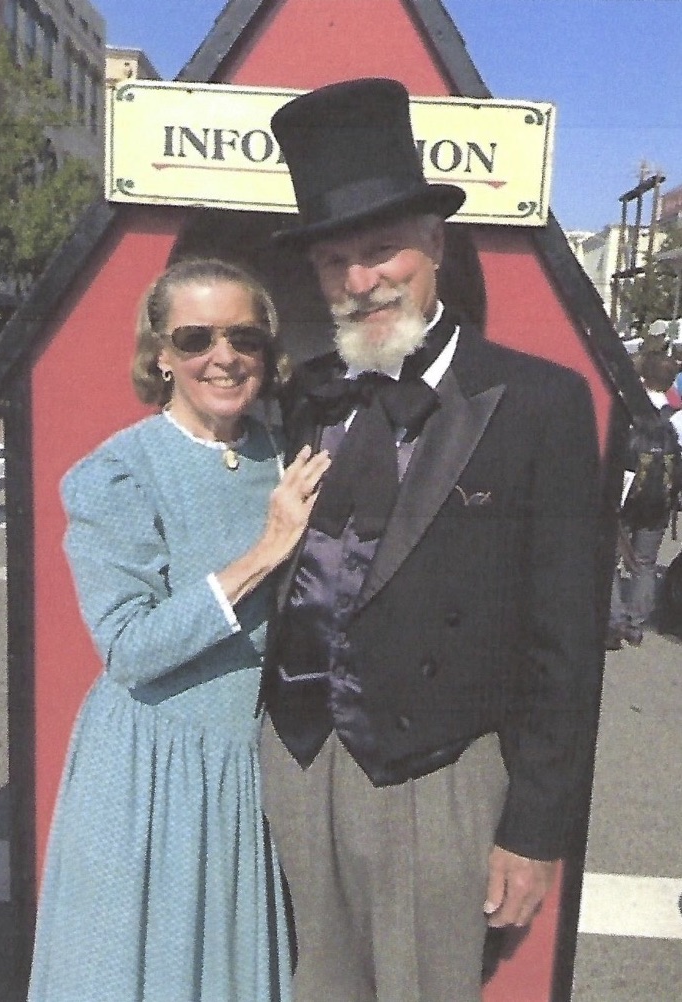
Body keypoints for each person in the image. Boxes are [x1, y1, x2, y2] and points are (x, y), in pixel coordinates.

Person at [258, 79, 602, 1002]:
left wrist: (534, 830)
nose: (361, 281)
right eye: (335, 262)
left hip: (434, 773)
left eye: (381, 251)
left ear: (436, 244)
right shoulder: (307, 393)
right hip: (292, 761)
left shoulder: (542, 402)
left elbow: (567, 647)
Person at [27, 257, 330, 1002]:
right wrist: (264, 553)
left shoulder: (282, 453)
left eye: (243, 337)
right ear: (159, 353)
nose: (221, 357)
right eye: (195, 338)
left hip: (249, 763)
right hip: (152, 767)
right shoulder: (119, 473)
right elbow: (130, 649)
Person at [607, 350, 681, 649]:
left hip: (625, 497)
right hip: (659, 503)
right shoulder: (677, 418)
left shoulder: (626, 410)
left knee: (612, 560)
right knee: (646, 563)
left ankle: (614, 621)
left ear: (643, 377)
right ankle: (636, 625)